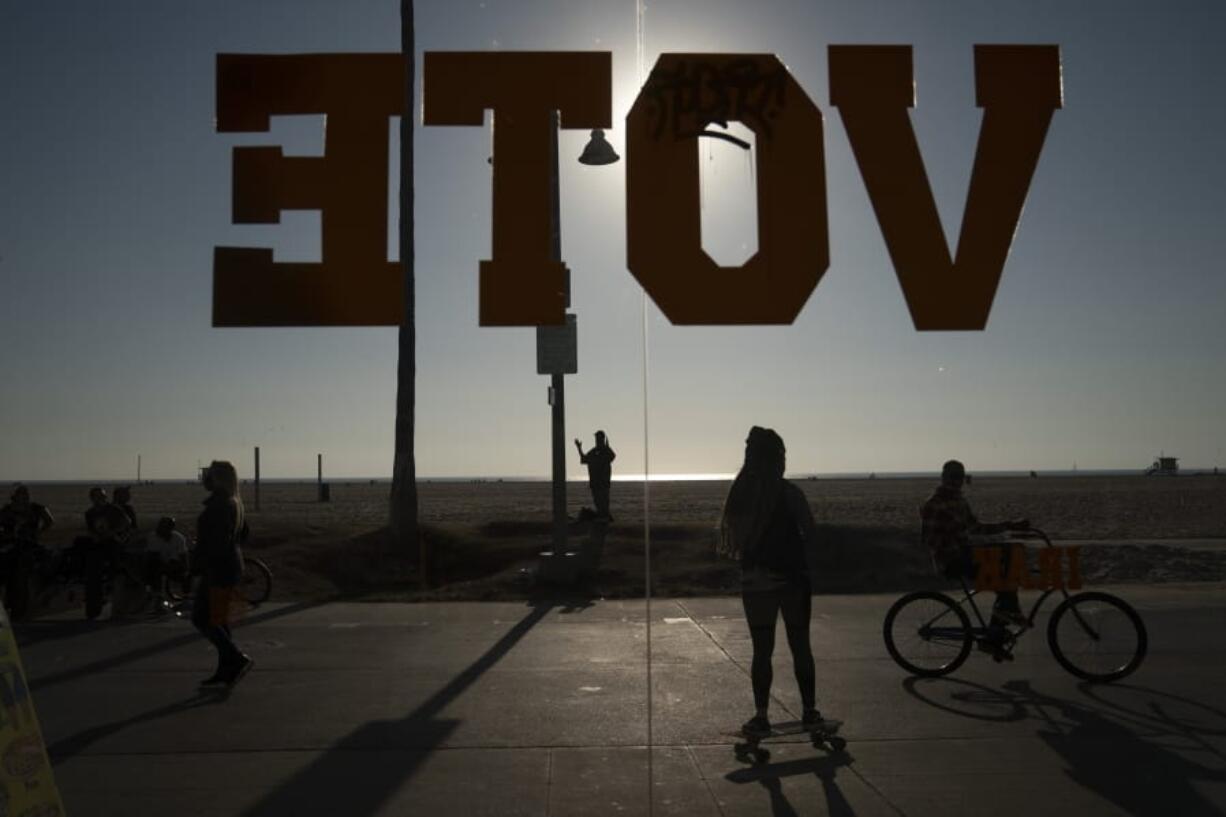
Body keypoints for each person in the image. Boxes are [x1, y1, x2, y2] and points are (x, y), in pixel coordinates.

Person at [718, 426, 823, 736]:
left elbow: (736, 539)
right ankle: (809, 711)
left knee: (762, 650)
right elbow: (811, 532)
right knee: (800, 645)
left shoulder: (740, 494)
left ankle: (761, 714)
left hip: (755, 581)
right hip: (792, 579)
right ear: (778, 458)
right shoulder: (790, 493)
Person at [921, 460, 1029, 636]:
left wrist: (1010, 526)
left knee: (1011, 551)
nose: (957, 481)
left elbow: (976, 528)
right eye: (953, 477)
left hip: (965, 552)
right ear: (943, 477)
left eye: (960, 477)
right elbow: (929, 541)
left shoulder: (960, 501)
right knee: (997, 571)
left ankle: (1002, 619)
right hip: (951, 561)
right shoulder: (934, 504)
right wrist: (954, 539)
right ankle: (1002, 620)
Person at [192, 460, 253, 687]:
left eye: (209, 474)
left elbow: (217, 544)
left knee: (201, 617)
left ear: (217, 479)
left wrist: (198, 562)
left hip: (217, 569)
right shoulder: (234, 503)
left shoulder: (219, 506)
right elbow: (243, 535)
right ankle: (225, 669)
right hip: (229, 566)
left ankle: (236, 658)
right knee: (218, 619)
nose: (204, 478)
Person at [0, 484, 55, 618]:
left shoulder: (36, 508)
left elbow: (49, 520)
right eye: (20, 493)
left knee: (21, 571)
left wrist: (38, 532)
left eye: (25, 493)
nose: (23, 496)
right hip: (8, 544)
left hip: (28, 544)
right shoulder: (7, 510)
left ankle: (19, 608)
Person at [78, 486, 132, 619]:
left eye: (102, 496)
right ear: (92, 498)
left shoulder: (113, 509)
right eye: (97, 496)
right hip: (98, 543)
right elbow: (90, 528)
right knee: (90, 566)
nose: (100, 499)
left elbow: (127, 522)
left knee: (117, 568)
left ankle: (116, 592)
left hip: (112, 542)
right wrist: (94, 536)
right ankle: (94, 602)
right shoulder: (89, 513)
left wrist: (113, 533)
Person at [146, 516, 190, 607]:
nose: (161, 529)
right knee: (155, 570)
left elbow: (183, 556)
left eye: (165, 527)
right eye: (161, 527)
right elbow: (154, 557)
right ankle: (157, 596)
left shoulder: (179, 538)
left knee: (186, 575)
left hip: (173, 564)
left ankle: (186, 598)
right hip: (157, 564)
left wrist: (185, 570)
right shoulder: (153, 537)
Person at [574, 430, 616, 520]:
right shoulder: (594, 452)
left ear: (602, 439)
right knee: (599, 505)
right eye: (596, 438)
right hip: (595, 484)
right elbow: (584, 459)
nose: (597, 440)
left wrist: (607, 447)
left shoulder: (606, 451)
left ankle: (605, 520)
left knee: (603, 506)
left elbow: (612, 456)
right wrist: (579, 448)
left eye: (598, 438)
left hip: (603, 484)